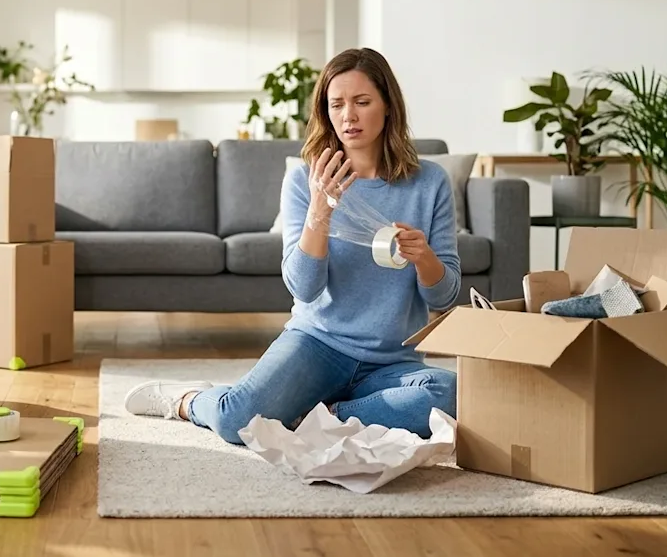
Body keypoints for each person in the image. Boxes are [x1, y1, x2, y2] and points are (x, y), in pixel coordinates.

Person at [124, 47, 460, 443]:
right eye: (336, 105)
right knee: (237, 422)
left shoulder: (430, 182)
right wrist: (320, 210)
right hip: (318, 344)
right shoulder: (305, 180)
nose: (348, 116)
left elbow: (446, 295)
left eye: (362, 102)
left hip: (392, 361)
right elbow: (303, 288)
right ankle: (190, 400)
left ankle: (325, 414)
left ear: (388, 106)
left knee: (451, 395)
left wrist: (424, 259)